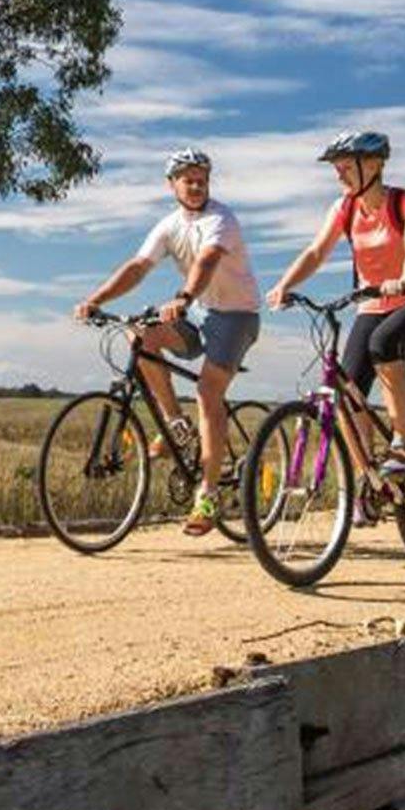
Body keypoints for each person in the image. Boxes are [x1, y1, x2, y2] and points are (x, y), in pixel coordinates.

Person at [71, 148, 263, 536]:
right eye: (187, 178)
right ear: (171, 184)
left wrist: (183, 298)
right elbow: (138, 266)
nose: (195, 185)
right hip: (199, 312)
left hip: (237, 315)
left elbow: (206, 262)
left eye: (201, 178)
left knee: (209, 393)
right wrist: (96, 300)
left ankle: (207, 494)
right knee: (140, 334)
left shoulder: (220, 219)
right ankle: (176, 423)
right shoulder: (169, 225)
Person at [263, 130, 405, 485]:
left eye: (346, 166)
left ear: (375, 165)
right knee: (347, 392)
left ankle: (402, 445)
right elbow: (316, 252)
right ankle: (368, 481)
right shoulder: (344, 208)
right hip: (372, 305)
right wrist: (285, 285)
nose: (339, 174)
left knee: (383, 344)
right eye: (336, 168)